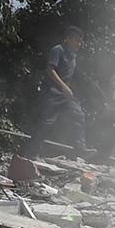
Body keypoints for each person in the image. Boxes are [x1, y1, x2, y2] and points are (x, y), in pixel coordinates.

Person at [25, 26, 86, 160]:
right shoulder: (58, 50)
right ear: (68, 39)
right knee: (47, 122)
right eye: (77, 40)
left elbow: (71, 75)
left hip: (65, 95)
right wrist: (64, 87)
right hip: (51, 92)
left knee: (78, 115)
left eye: (81, 41)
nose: (79, 44)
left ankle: (80, 149)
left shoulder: (73, 56)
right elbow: (50, 70)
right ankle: (30, 153)